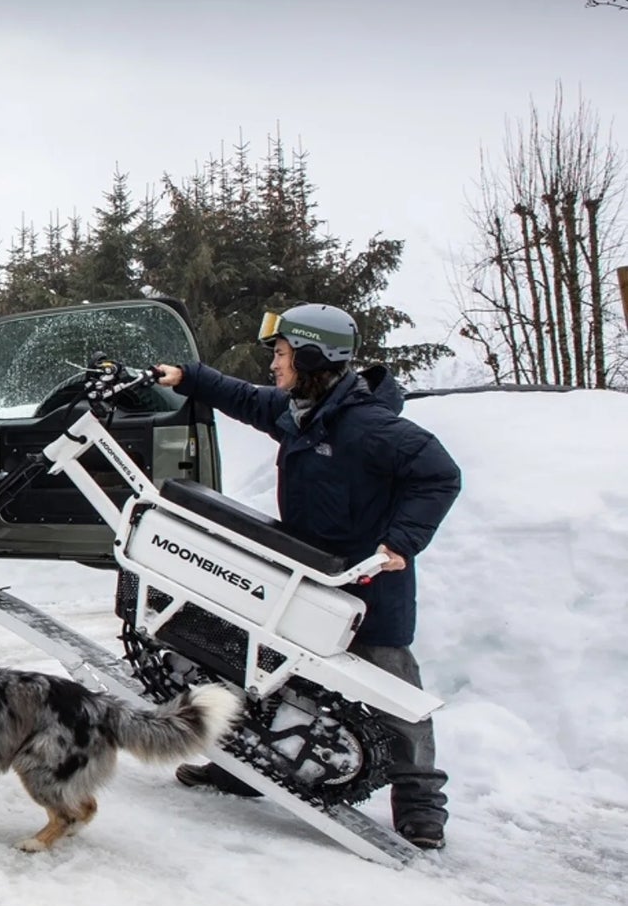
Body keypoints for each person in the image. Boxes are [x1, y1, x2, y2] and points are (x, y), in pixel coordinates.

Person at [153, 303, 462, 851]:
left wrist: (401, 543)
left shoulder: (369, 427)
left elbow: (440, 475)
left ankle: (418, 804)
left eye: (281, 353)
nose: (273, 364)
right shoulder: (303, 412)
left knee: (394, 694)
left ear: (313, 356)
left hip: (367, 590)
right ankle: (246, 769)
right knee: (270, 676)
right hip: (305, 577)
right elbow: (246, 398)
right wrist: (190, 377)